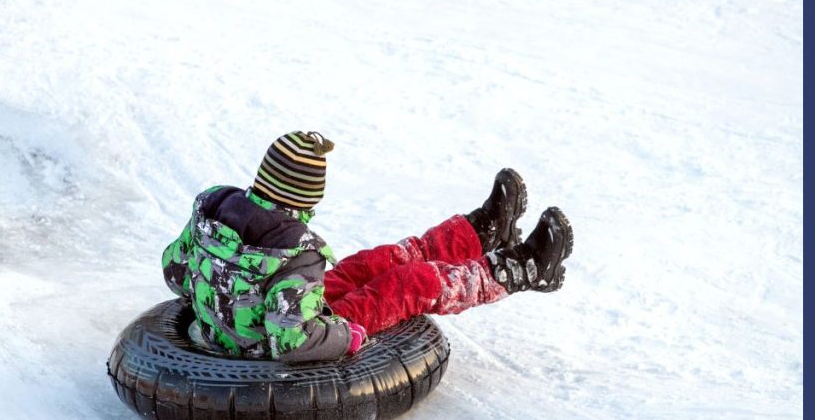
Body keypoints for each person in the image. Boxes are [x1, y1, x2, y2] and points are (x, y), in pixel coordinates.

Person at [161, 131, 574, 363]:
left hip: (257, 313)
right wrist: (346, 336)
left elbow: (174, 271)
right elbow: (291, 341)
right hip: (264, 348)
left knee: (371, 263)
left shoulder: (214, 209)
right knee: (409, 283)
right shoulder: (294, 254)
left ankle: (478, 233)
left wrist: (222, 293)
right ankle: (521, 269)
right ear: (304, 199)